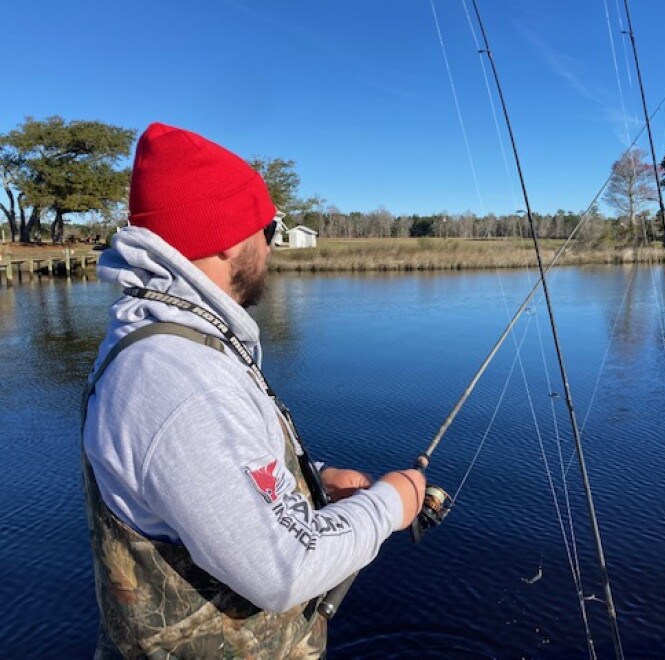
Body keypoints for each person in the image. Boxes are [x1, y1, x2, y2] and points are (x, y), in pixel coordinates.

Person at [81, 122, 427, 658]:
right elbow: (284, 569)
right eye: (266, 229)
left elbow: (208, 480)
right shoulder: (177, 378)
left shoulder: (174, 345)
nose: (271, 245)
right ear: (224, 238)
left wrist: (309, 486)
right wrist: (392, 504)